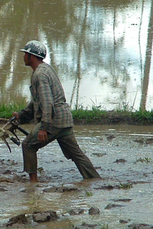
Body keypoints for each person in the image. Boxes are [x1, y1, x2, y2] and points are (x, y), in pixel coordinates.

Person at [13, 40, 101, 182]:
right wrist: (22, 115)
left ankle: (33, 183)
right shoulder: (46, 69)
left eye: (25, 54)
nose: (23, 57)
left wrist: (45, 127)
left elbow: (47, 102)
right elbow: (38, 100)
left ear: (32, 57)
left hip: (54, 120)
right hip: (64, 119)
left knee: (28, 145)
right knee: (76, 154)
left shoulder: (39, 75)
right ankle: (95, 179)